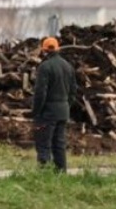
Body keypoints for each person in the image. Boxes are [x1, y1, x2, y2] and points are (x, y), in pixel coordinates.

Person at [32, 36, 77, 172]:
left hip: (48, 112)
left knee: (44, 144)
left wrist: (36, 112)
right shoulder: (68, 66)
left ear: (44, 50)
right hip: (63, 112)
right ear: (57, 49)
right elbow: (73, 92)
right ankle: (61, 173)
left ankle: (44, 174)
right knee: (59, 144)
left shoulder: (44, 67)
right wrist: (66, 106)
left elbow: (41, 93)